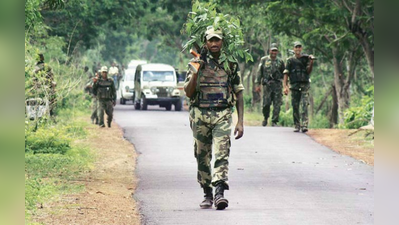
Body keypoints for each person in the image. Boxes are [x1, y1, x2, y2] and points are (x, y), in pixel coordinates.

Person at [184, 26, 244, 210]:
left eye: (217, 40)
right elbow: (188, 92)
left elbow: (238, 92)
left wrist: (240, 121)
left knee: (222, 152)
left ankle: (219, 193)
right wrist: (196, 71)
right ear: (205, 42)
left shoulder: (230, 64)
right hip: (200, 115)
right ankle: (207, 192)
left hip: (223, 114)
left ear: (223, 42)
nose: (214, 43)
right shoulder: (196, 62)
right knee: (202, 156)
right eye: (210, 40)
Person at [283, 41, 315, 132]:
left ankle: (304, 125)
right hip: (294, 85)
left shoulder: (305, 59)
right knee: (295, 105)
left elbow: (308, 71)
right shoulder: (290, 60)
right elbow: (286, 73)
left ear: (301, 48)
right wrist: (285, 86)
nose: (298, 49)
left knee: (304, 104)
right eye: (296, 47)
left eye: (299, 47)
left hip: (304, 84)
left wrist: (311, 62)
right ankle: (297, 124)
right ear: (294, 49)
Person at [255, 43, 285, 127]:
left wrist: (286, 84)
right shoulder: (264, 60)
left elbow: (284, 73)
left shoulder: (280, 61)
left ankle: (274, 121)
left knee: (277, 104)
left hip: (277, 85)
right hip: (267, 85)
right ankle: (265, 118)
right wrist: (257, 84)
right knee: (266, 104)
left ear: (277, 51)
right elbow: (259, 72)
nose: (274, 52)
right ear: (269, 51)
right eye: (272, 50)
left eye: (275, 51)